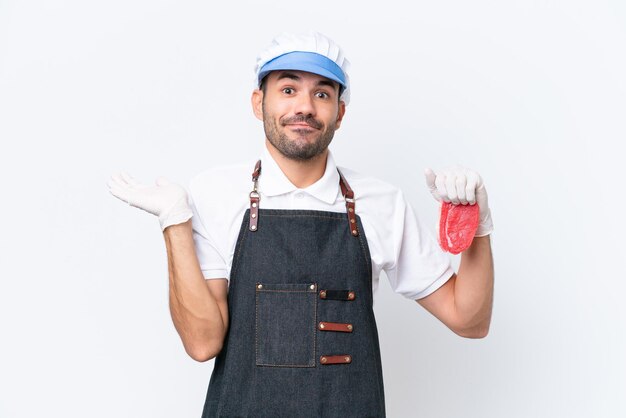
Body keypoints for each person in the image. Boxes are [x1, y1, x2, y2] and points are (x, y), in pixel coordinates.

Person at [107, 31, 494, 417]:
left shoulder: (381, 202)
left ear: (340, 113)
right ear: (259, 103)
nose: (305, 107)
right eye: (288, 90)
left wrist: (477, 225)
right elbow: (202, 342)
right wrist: (174, 222)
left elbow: (469, 320)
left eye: (322, 94)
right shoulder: (215, 193)